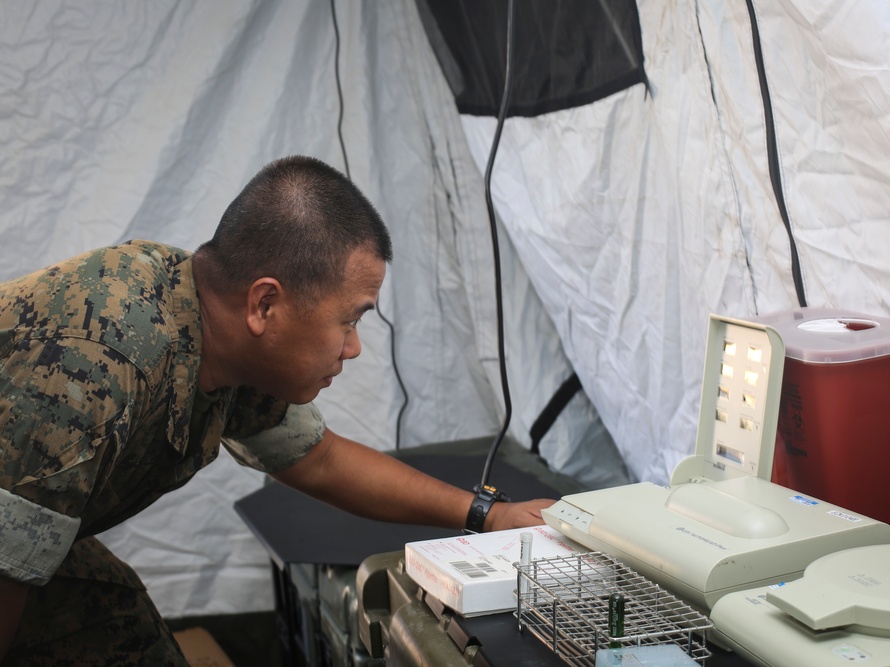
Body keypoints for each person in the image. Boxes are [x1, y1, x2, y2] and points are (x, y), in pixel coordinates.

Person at [0, 156, 554, 665]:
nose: (354, 347)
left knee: (125, 633)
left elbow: (320, 459)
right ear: (266, 304)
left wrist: (488, 515)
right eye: (350, 320)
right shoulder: (93, 369)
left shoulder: (217, 327)